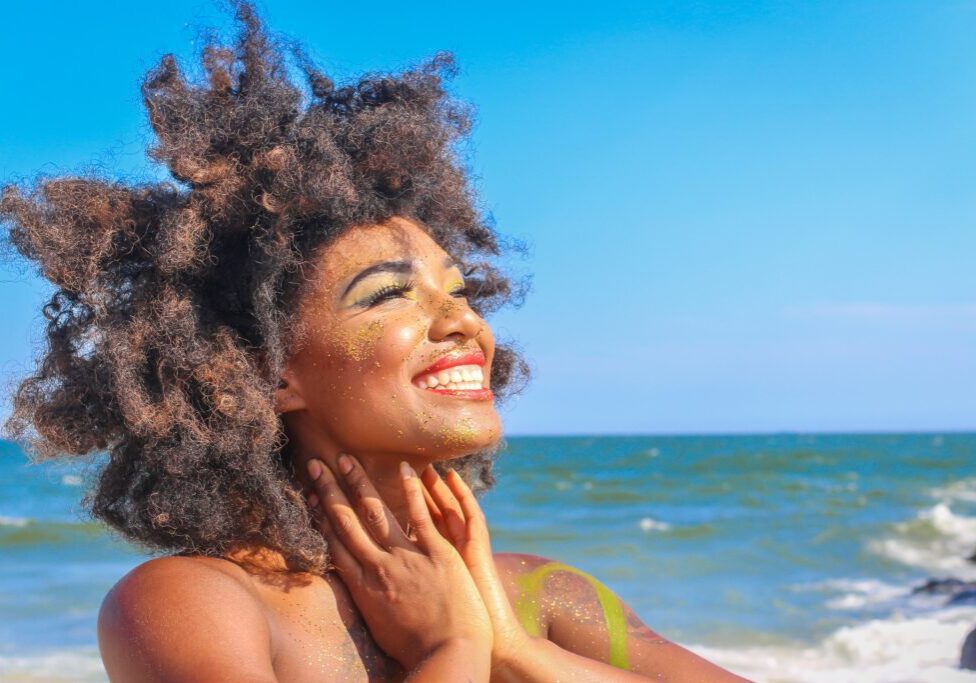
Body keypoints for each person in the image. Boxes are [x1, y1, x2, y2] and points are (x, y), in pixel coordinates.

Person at [0, 3, 751, 681]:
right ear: (264, 371)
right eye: (391, 293)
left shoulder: (541, 595)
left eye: (458, 291)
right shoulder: (193, 602)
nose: (464, 323)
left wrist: (517, 652)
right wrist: (448, 654)